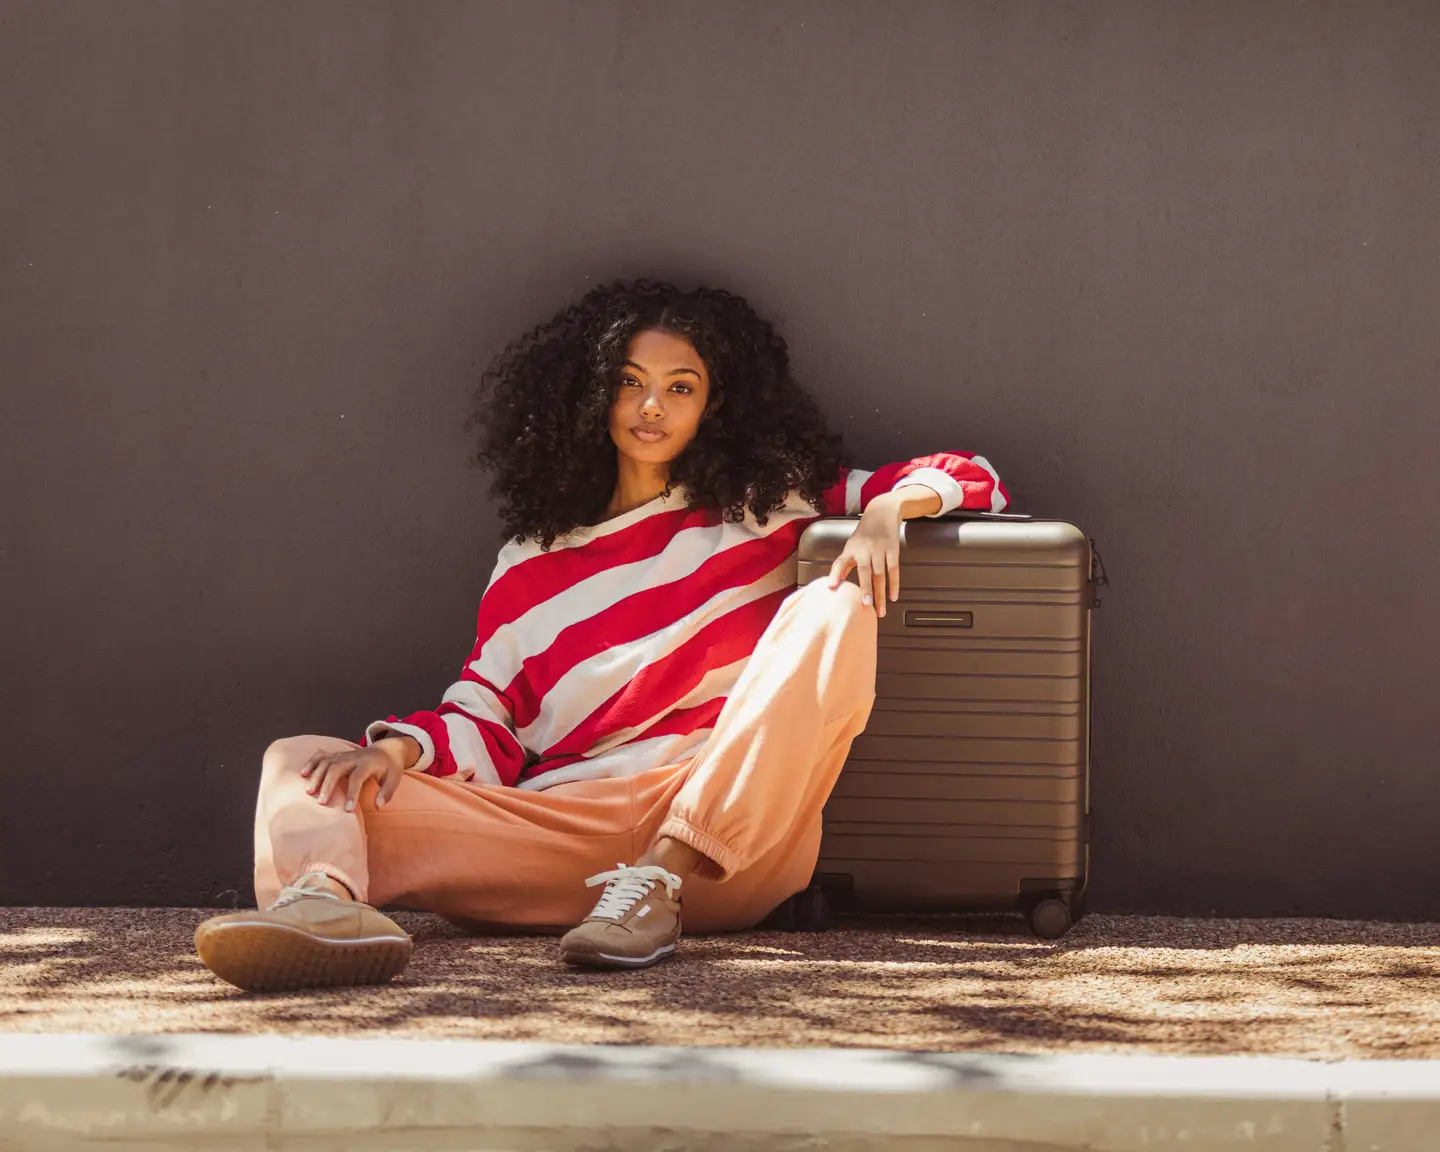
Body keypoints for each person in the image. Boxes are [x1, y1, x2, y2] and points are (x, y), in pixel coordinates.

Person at [193, 280, 1008, 991]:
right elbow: (486, 718)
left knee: (833, 608)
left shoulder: (771, 501)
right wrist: (395, 754)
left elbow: (976, 477)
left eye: (680, 387)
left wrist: (883, 513)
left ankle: (658, 880)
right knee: (300, 760)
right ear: (595, 394)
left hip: (721, 840)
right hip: (561, 839)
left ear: (712, 404)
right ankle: (326, 911)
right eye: (630, 382)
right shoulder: (528, 563)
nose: (652, 407)